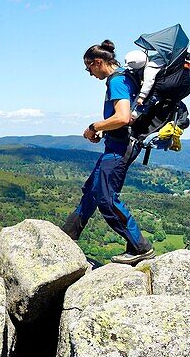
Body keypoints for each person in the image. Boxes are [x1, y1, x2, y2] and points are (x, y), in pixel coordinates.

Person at [61, 39, 156, 264]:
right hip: (117, 144)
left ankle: (140, 247)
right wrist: (106, 130)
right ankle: (68, 235)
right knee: (93, 189)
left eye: (89, 68)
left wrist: (95, 127)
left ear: (98, 62)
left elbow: (122, 117)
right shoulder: (125, 76)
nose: (90, 73)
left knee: (106, 198)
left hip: (121, 148)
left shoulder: (118, 80)